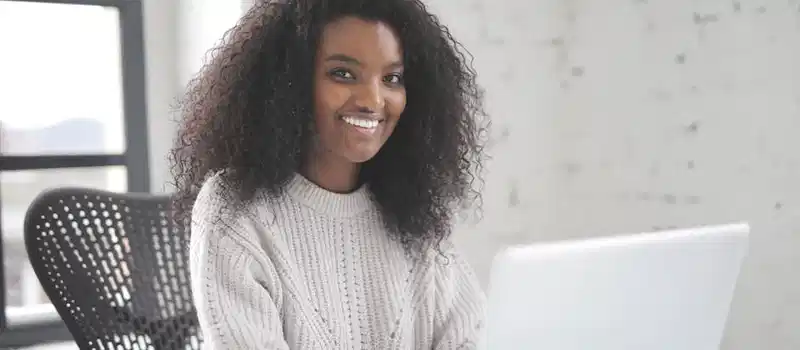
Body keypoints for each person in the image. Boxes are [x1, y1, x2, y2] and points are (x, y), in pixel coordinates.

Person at [170, 0, 488, 348]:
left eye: (391, 79)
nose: (372, 100)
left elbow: (469, 336)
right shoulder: (235, 210)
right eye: (343, 74)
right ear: (288, 83)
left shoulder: (413, 217)